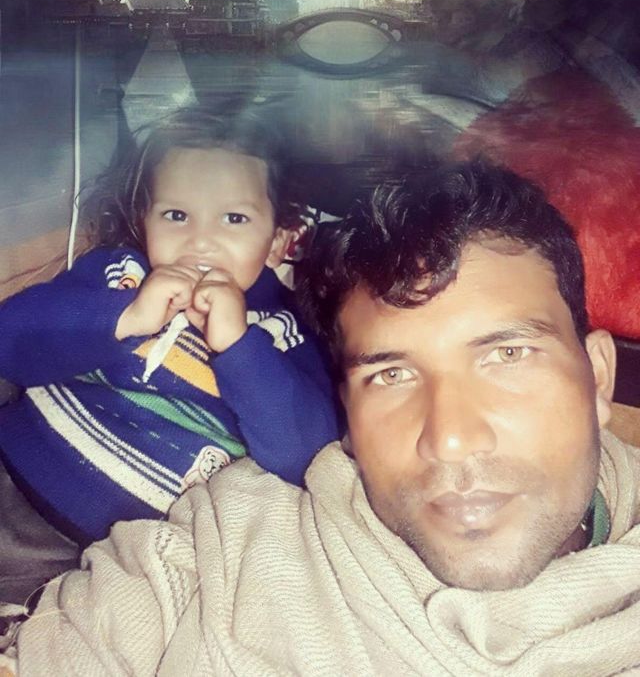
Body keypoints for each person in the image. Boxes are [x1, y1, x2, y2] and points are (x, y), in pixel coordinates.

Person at [6, 159, 640, 676]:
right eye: (391, 375)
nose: (450, 438)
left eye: (507, 354)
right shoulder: (228, 534)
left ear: (598, 377)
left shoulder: (277, 337)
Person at [0, 105, 339, 607]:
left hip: (122, 560)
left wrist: (239, 346)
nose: (200, 240)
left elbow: (307, 455)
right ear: (145, 221)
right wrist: (125, 316)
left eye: (234, 218)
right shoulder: (121, 273)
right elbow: (10, 340)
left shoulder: (285, 333)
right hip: (16, 471)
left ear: (278, 241)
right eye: (176, 215)